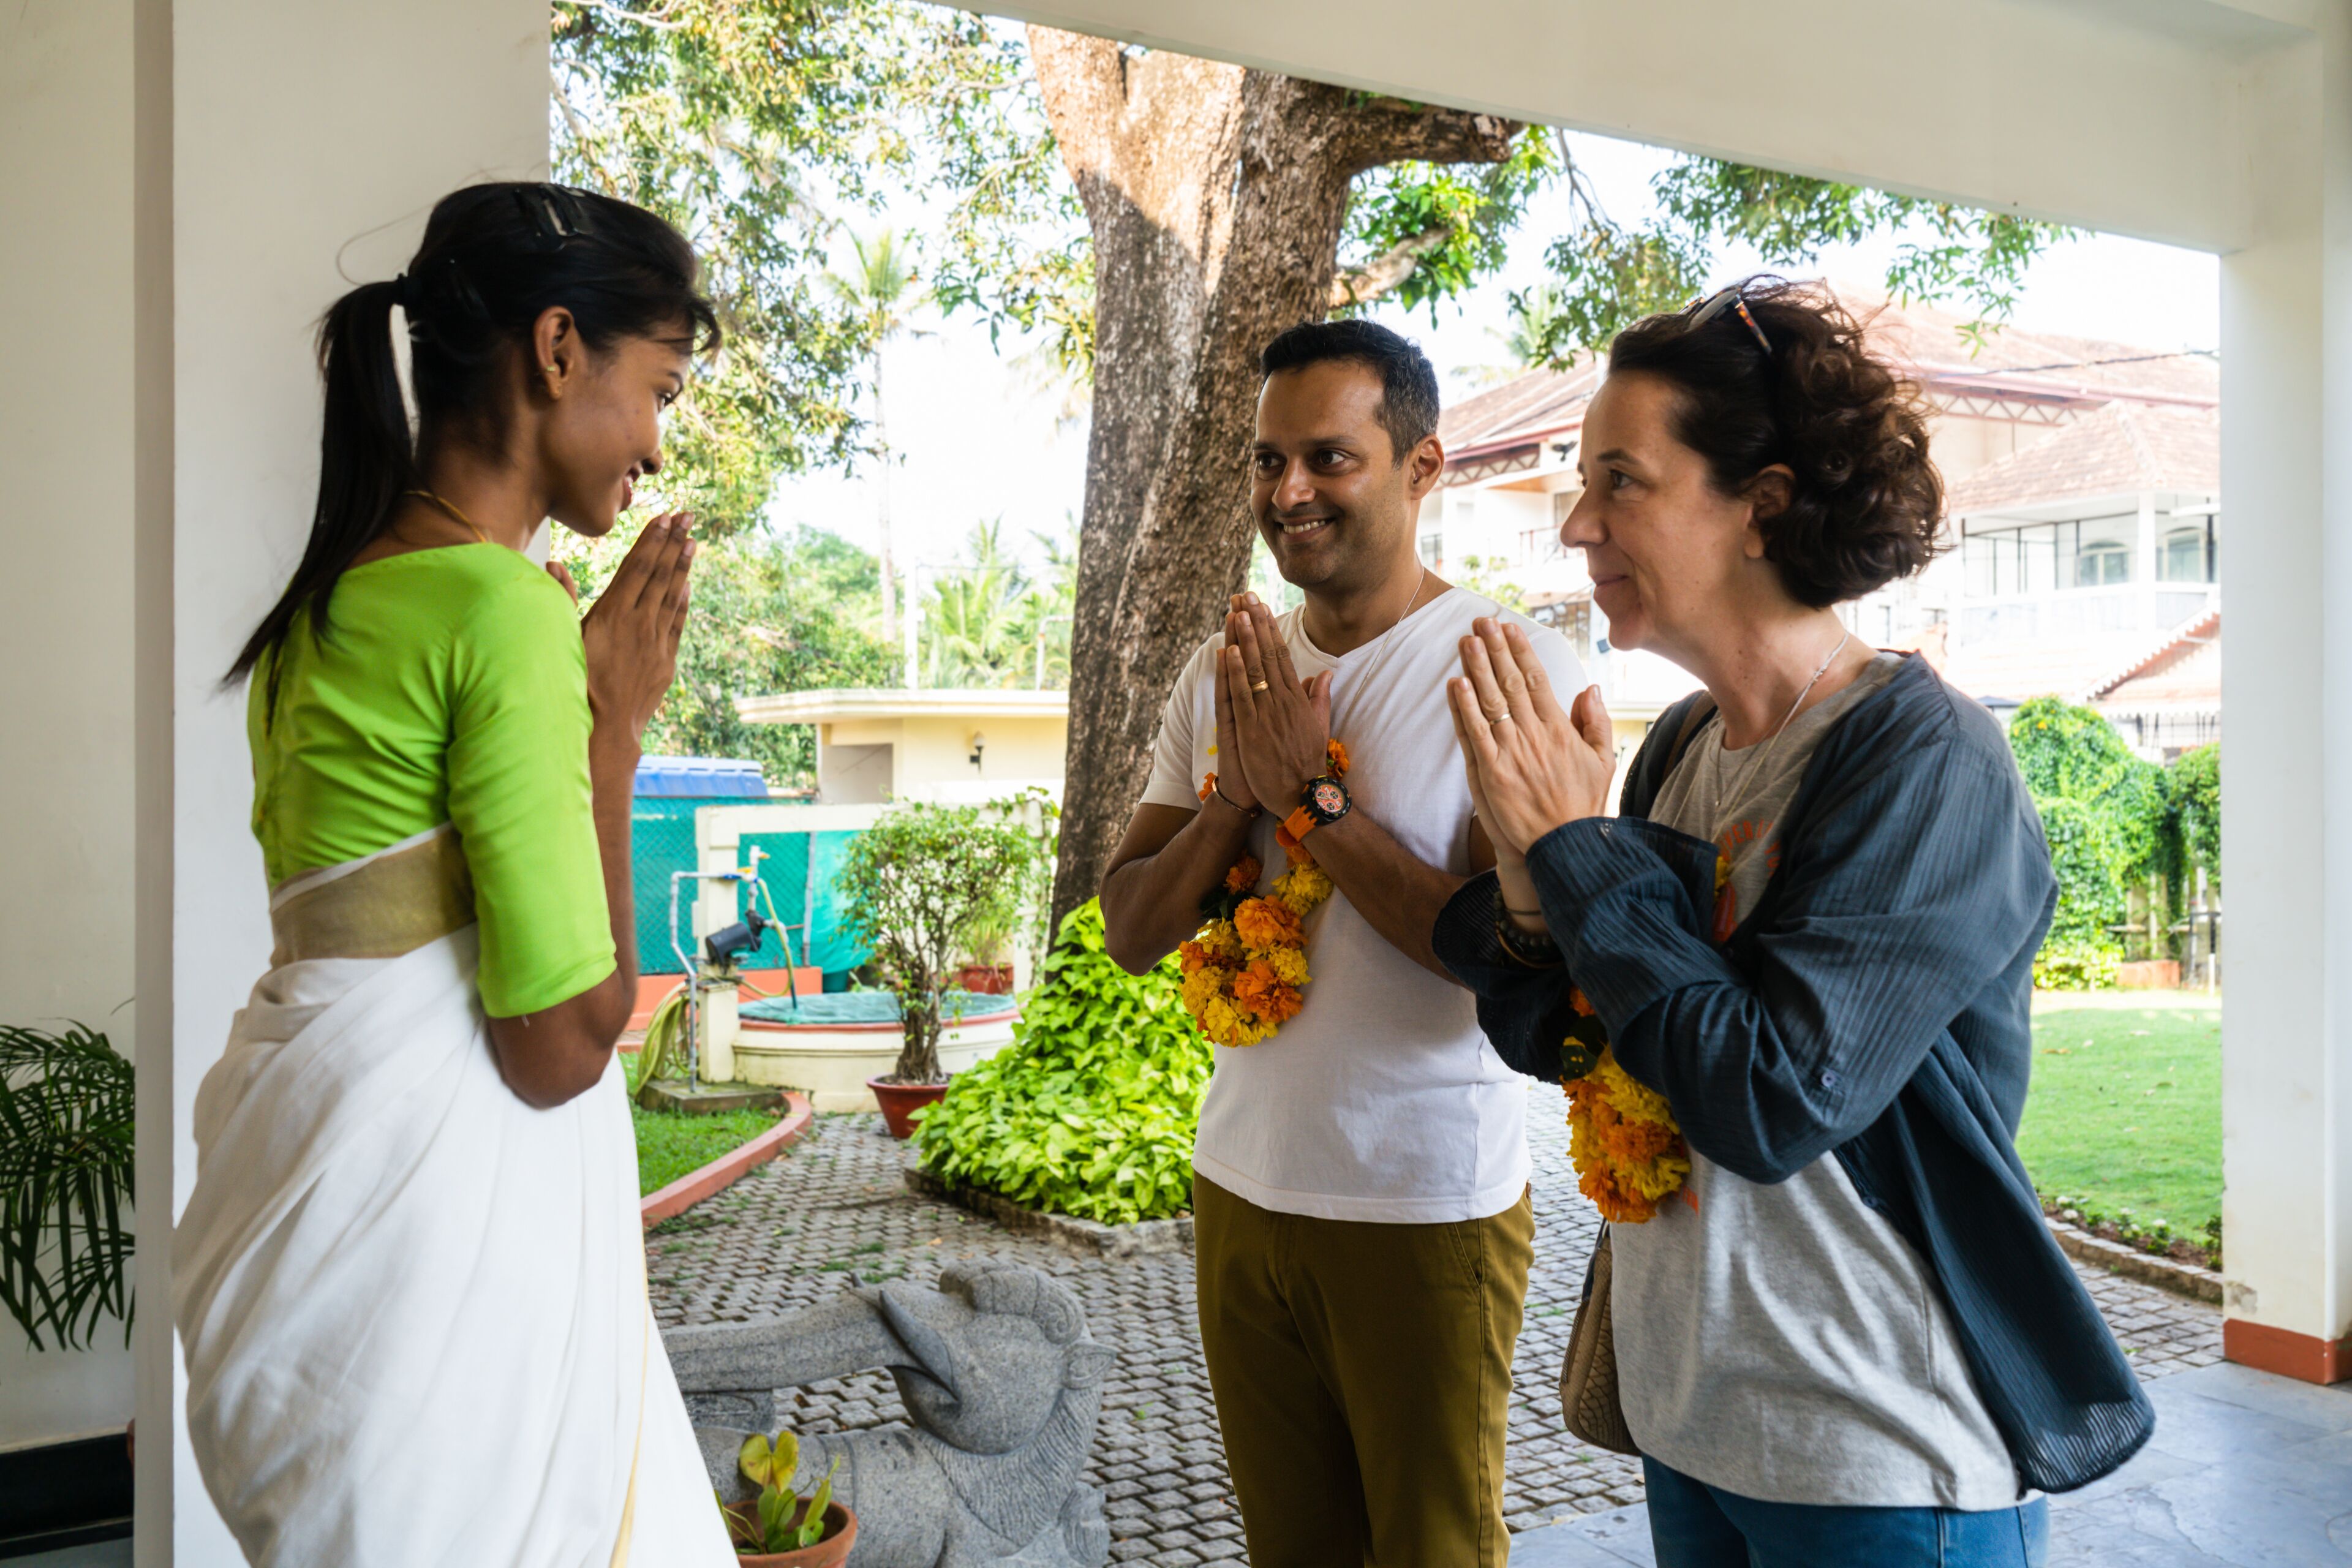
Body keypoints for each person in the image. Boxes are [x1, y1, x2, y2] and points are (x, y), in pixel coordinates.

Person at [1434, 278, 2152, 1568]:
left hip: (1875, 1445)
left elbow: (1771, 1095)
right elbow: (1585, 1045)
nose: (1578, 527)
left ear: (1759, 505)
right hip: (1692, 1419)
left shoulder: (1926, 758)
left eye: (1619, 481)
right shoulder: (1682, 752)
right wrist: (1537, 885)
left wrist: (1577, 847)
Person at [174, 183, 737, 1567]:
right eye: (657, 388)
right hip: (429, 1272)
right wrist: (612, 726)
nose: (657, 443)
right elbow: (556, 1044)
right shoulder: (501, 609)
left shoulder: (326, 604)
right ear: (558, 352)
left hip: (307, 1210)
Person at [1098, 318, 1585, 1566]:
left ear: (1424, 468)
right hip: (1242, 1186)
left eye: (1330, 457)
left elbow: (1504, 960)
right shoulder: (1224, 675)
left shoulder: (1504, 666)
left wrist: (1316, 804)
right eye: (1269, 461)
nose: (1289, 492)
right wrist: (1233, 798)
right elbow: (1133, 928)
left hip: (1421, 1202)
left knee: (1431, 1548)